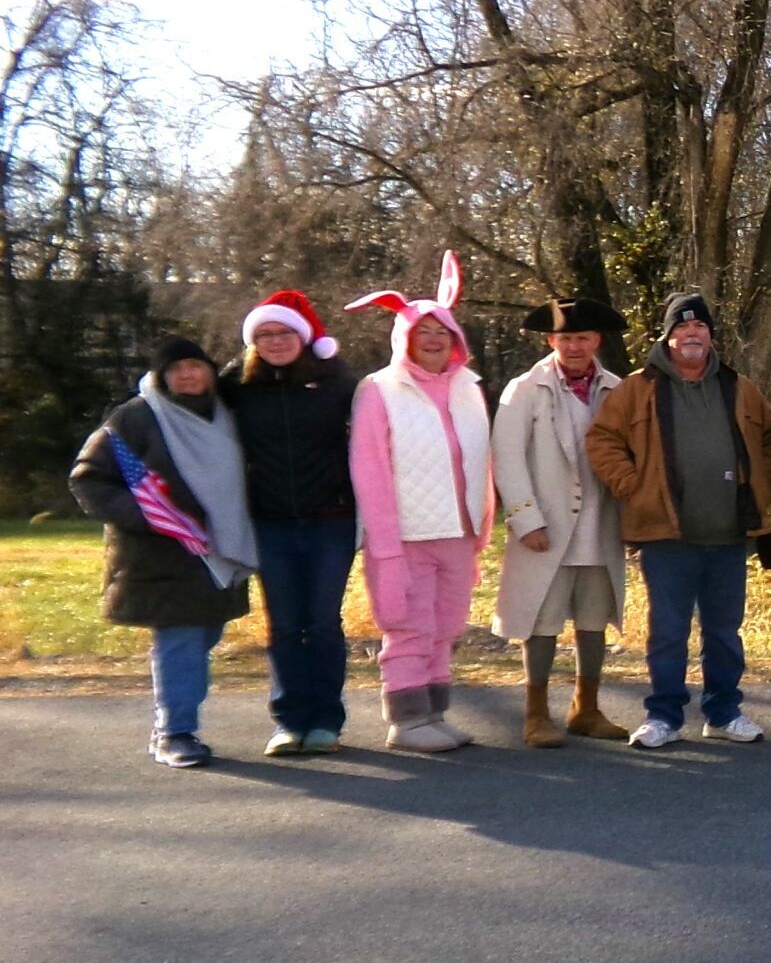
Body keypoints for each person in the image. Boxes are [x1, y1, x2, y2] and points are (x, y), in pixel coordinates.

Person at [587, 293, 771, 748]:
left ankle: (723, 711)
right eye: (682, 328)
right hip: (665, 536)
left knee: (724, 631)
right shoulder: (638, 388)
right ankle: (664, 717)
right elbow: (602, 440)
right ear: (668, 336)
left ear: (710, 336)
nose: (691, 335)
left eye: (700, 328)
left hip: (728, 535)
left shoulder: (739, 387)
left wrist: (764, 487)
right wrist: (633, 486)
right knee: (668, 632)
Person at [72, 336, 257, 768]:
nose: (187, 375)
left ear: (210, 370)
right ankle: (175, 732)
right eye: (176, 369)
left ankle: (174, 724)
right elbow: (89, 478)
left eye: (195, 365)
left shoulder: (227, 414)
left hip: (220, 547)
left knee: (203, 636)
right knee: (182, 639)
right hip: (161, 553)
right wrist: (150, 518)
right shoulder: (135, 417)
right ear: (161, 376)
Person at [346, 255, 493, 753]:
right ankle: (406, 722)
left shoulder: (469, 389)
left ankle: (433, 713)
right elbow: (369, 469)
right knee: (409, 626)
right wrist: (382, 543)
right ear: (403, 337)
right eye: (422, 331)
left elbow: (480, 461)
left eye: (441, 331)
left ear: (455, 339)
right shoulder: (379, 390)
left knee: (446, 627)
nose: (433, 340)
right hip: (406, 534)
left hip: (458, 532)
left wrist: (481, 529)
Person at [490, 297, 631, 747]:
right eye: (565, 338)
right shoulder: (525, 389)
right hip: (545, 526)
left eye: (582, 338)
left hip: (600, 523)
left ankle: (586, 709)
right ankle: (536, 714)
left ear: (597, 341)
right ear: (552, 340)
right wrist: (524, 518)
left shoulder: (617, 388)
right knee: (542, 620)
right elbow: (507, 458)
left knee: (593, 618)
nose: (574, 346)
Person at [220, 291, 356, 755]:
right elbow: (187, 400)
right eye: (265, 334)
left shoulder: (336, 382)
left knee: (321, 622)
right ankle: (288, 719)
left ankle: (326, 721)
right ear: (252, 342)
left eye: (284, 332)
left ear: (303, 337)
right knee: (282, 624)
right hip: (270, 522)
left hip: (330, 521)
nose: (276, 341)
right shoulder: (236, 388)